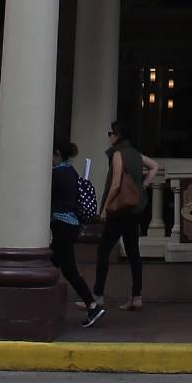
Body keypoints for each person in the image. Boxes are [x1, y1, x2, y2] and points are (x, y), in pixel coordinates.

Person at [92, 118, 153, 312]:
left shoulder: (118, 154)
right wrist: (142, 186)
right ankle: (136, 296)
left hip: (119, 210)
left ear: (117, 136)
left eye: (111, 133)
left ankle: (98, 295)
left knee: (103, 251)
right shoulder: (135, 153)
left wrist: (104, 208)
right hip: (134, 210)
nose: (109, 136)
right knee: (134, 252)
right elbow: (155, 166)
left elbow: (116, 183)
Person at [50, 140, 102, 327]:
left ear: (57, 153)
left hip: (62, 225)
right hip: (72, 225)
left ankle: (41, 306)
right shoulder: (71, 171)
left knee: (49, 264)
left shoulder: (57, 174)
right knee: (68, 270)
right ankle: (92, 305)